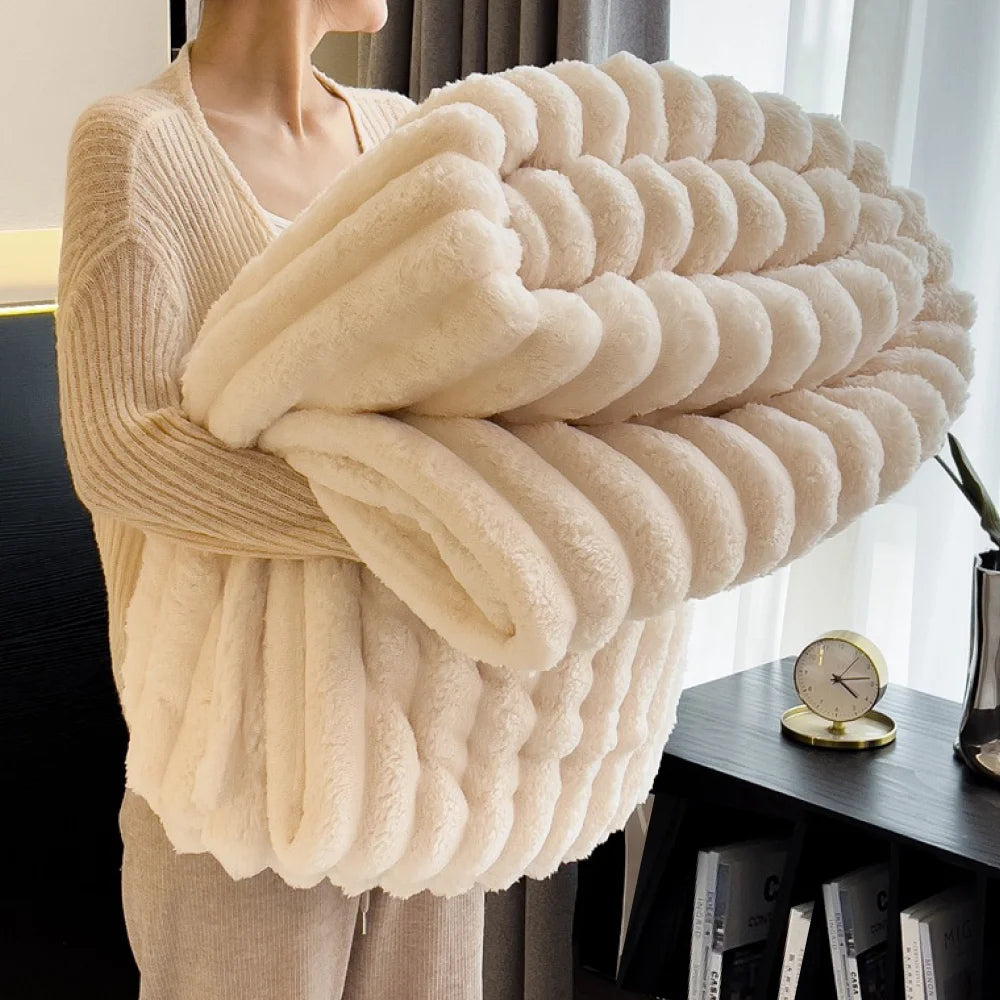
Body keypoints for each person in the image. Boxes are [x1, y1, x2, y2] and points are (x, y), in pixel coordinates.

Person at [54, 2, 486, 997]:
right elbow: (123, 453)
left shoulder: (409, 133)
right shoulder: (136, 143)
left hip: (429, 745)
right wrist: (422, 516)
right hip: (235, 765)